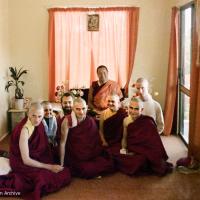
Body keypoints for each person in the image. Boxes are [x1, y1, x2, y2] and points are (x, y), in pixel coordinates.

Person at [0, 102, 71, 200]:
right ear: (28, 114)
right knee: (43, 180)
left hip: (34, 155)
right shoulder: (24, 131)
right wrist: (49, 167)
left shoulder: (39, 123)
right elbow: (26, 160)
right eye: (33, 115)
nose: (37, 119)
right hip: (21, 162)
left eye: (40, 116)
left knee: (63, 170)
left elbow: (42, 144)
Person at [60, 98, 114, 179]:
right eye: (77, 109)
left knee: (110, 162)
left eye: (83, 108)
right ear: (72, 108)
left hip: (90, 154)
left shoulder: (90, 120)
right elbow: (62, 143)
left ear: (87, 107)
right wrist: (62, 164)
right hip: (75, 156)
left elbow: (95, 140)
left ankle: (94, 168)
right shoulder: (67, 121)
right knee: (87, 170)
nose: (81, 112)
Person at [117, 97, 172, 176]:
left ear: (141, 110)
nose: (132, 111)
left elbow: (155, 143)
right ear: (128, 108)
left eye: (136, 109)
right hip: (132, 147)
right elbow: (124, 137)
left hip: (144, 149)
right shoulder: (125, 120)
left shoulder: (148, 122)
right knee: (119, 157)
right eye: (131, 108)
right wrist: (123, 149)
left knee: (141, 161)